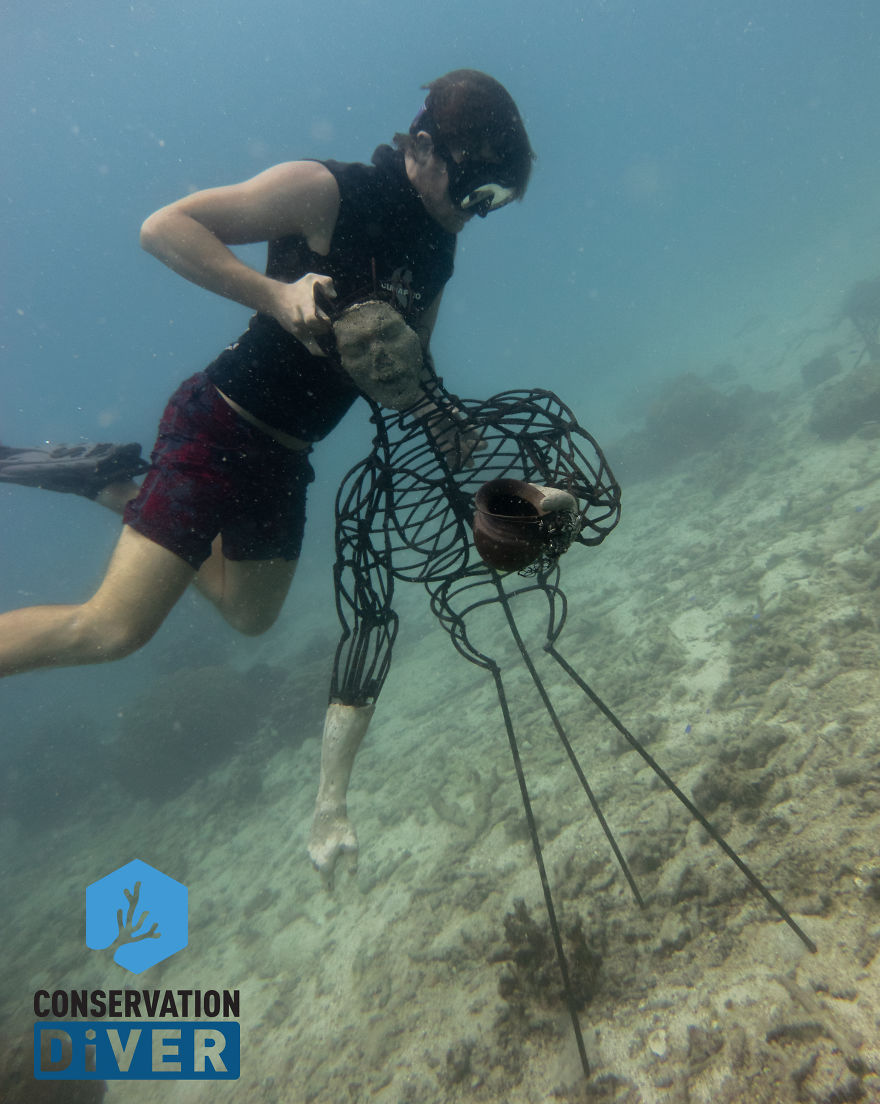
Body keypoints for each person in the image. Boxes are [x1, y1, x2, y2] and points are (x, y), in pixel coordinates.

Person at [0, 69, 534, 881]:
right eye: (473, 186)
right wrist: (274, 295)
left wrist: (439, 419)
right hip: (214, 428)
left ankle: (110, 482)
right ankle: (121, 485)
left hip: (286, 456)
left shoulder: (440, 243)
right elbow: (163, 228)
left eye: (494, 201)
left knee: (251, 617)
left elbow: (407, 359)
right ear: (425, 147)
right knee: (112, 630)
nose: (475, 209)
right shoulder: (328, 192)